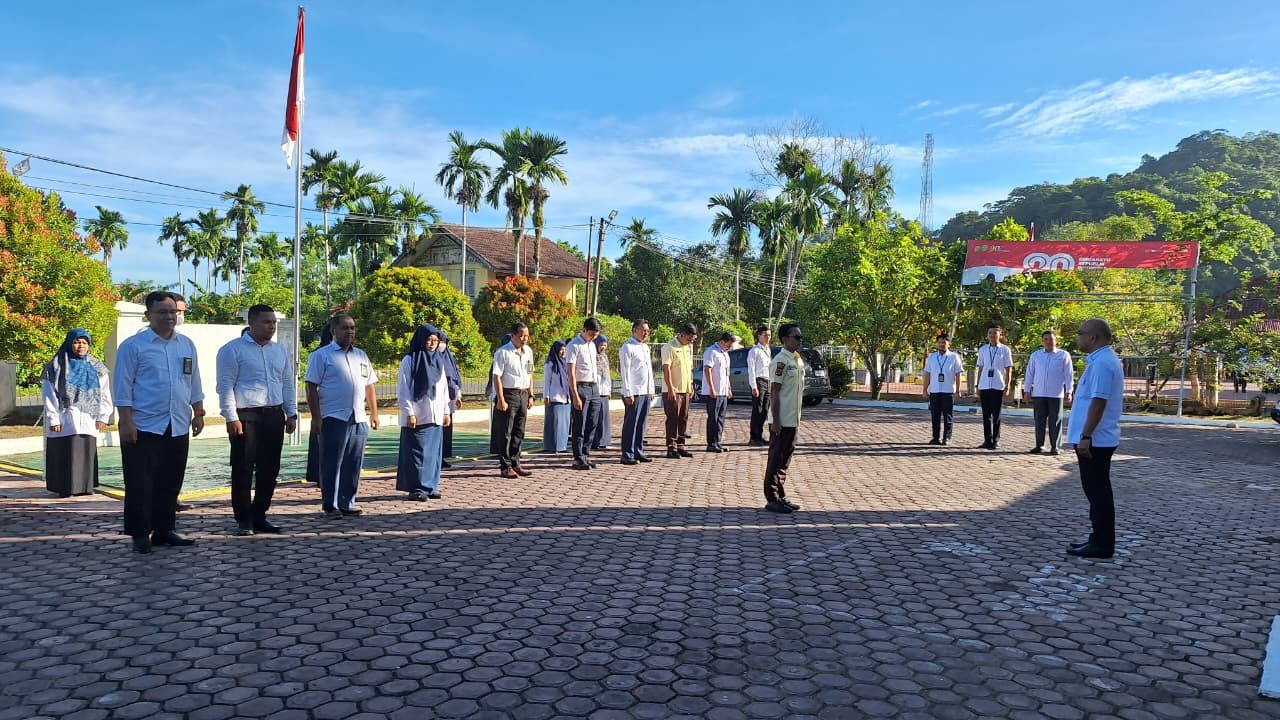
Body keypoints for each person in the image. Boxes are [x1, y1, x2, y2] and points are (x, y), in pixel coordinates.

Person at [114, 291, 205, 554]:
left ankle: (165, 530)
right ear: (148, 315)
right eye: (162, 312)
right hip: (144, 425)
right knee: (140, 483)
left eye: (173, 312)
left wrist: (198, 411)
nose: (169, 317)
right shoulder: (134, 346)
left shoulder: (185, 344)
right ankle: (140, 533)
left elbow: (193, 380)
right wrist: (126, 421)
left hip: (177, 422)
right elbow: (123, 386)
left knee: (170, 480)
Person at [215, 304, 298, 536]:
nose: (271, 326)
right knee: (243, 467)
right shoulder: (232, 350)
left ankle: (260, 514)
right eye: (266, 322)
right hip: (246, 416)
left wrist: (291, 413)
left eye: (274, 322)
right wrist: (231, 417)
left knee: (270, 468)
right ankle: (244, 519)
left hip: (274, 414)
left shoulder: (279, 351)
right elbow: (225, 385)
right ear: (251, 323)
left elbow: (287, 383)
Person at [305, 313, 379, 519]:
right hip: (333, 416)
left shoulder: (361, 355)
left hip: (358, 416)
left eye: (352, 328)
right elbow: (311, 387)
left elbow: (369, 385)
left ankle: (347, 502)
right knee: (331, 462)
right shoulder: (321, 355)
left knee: (354, 462)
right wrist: (316, 418)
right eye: (345, 328)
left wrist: (374, 413)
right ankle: (330, 504)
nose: (349, 332)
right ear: (333, 331)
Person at [1065, 318, 1126, 559]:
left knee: (1098, 493)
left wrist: (1086, 436)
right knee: (1096, 492)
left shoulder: (1102, 363)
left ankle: (1102, 543)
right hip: (1095, 438)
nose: (1077, 337)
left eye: (1080, 333)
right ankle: (1098, 538)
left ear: (1093, 338)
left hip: (1096, 440)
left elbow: (1098, 402)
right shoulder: (1101, 360)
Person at [41, 329, 113, 497]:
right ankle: (64, 488)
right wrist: (54, 419)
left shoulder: (96, 366)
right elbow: (49, 394)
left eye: (84, 342)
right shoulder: (56, 365)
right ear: (69, 343)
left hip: (89, 417)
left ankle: (84, 487)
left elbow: (104, 393)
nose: (81, 346)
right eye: (76, 342)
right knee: (65, 451)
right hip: (65, 417)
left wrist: (103, 416)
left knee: (85, 450)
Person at [396, 325, 451, 501]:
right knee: (417, 454)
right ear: (421, 340)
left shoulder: (439, 360)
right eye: (428, 340)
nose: (432, 344)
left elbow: (443, 389)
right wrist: (409, 412)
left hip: (436, 415)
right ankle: (416, 488)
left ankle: (430, 486)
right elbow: (403, 389)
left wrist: (446, 411)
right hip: (418, 415)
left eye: (435, 340)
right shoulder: (410, 360)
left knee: (433, 454)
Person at [764, 323, 806, 513]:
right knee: (776, 459)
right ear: (785, 339)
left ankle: (780, 495)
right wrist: (776, 420)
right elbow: (774, 391)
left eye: (800, 337)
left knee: (785, 460)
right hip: (781, 419)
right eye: (796, 337)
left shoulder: (796, 359)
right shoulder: (780, 361)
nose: (799, 340)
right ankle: (772, 498)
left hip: (793, 418)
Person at [491, 322, 535, 478]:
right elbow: (497, 376)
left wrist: (531, 395)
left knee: (519, 431)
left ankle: (516, 462)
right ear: (513, 335)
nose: (524, 339)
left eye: (527, 336)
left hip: (523, 393)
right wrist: (501, 399)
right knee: (506, 432)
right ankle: (505, 465)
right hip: (509, 393)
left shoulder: (528, 351)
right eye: (521, 336)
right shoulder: (503, 352)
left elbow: (530, 373)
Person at [1024, 330, 1074, 455]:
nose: (1048, 342)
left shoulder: (1063, 355)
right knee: (1039, 420)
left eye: (1051, 339)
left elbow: (1069, 375)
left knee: (1055, 421)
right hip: (1039, 393)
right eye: (1046, 339)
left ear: (1056, 341)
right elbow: (1029, 374)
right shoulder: (1036, 355)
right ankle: (1039, 445)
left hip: (1055, 393)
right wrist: (1027, 390)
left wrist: (1069, 391)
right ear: (1042, 341)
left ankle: (1055, 446)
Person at [567, 318, 603, 470]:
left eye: (596, 335)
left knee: (592, 423)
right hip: (581, 386)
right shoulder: (574, 345)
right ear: (584, 330)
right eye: (591, 334)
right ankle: (578, 457)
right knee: (579, 423)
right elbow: (571, 371)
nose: (593, 337)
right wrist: (575, 394)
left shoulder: (592, 345)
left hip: (594, 386)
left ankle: (586, 454)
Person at [618, 319, 655, 465]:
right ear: (634, 330)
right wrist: (628, 392)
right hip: (634, 391)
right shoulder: (627, 347)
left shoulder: (645, 347)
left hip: (645, 390)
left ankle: (638, 451)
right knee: (631, 424)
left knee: (641, 423)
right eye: (643, 330)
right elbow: (625, 372)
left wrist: (651, 389)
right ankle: (627, 454)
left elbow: (649, 370)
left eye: (647, 331)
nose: (646, 333)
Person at [661, 324, 697, 459]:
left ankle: (681, 446)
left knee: (683, 418)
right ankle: (671, 447)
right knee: (673, 419)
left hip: (685, 389)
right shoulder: (669, 347)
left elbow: (689, 369)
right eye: (689, 339)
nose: (690, 342)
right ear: (682, 334)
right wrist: (670, 388)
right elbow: (666, 369)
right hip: (673, 390)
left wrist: (691, 385)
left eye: (692, 340)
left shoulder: (687, 348)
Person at [974, 324, 1013, 449]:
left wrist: (1007, 385)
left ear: (1000, 334)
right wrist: (978, 385)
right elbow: (980, 368)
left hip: (998, 385)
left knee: (996, 415)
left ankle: (995, 440)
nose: (992, 335)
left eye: (995, 333)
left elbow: (1008, 369)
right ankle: (987, 440)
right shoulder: (983, 349)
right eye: (990, 333)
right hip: (984, 385)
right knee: (986, 415)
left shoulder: (1005, 350)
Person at [921, 333, 964, 446]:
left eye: (944, 342)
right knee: (935, 415)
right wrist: (925, 389)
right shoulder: (932, 357)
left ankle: (947, 438)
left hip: (948, 391)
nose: (941, 344)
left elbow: (958, 374)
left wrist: (958, 390)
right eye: (939, 342)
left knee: (947, 416)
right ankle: (935, 438)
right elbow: (928, 374)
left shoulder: (954, 357)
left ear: (948, 344)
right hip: (935, 391)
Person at [304, 324, 333, 485]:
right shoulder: (318, 354)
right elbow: (311, 384)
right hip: (323, 405)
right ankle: (320, 475)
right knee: (321, 441)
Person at [702, 331, 734, 453]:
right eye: (728, 345)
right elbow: (707, 370)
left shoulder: (725, 354)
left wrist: (729, 388)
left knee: (721, 418)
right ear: (722, 341)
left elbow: (726, 373)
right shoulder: (711, 351)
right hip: (714, 391)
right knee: (713, 418)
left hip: (723, 391)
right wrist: (711, 388)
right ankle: (711, 443)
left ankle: (718, 442)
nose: (729, 347)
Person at [437, 330, 463, 468]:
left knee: (446, 430)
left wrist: (458, 394)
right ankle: (437, 458)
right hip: (437, 399)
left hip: (449, 400)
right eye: (440, 341)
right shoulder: (432, 357)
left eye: (444, 342)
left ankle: (443, 457)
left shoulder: (449, 357)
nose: (442, 344)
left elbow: (454, 376)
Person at [542, 340, 571, 453]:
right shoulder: (550, 364)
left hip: (566, 398)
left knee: (564, 424)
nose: (563, 352)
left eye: (565, 350)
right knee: (554, 423)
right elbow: (547, 381)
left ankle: (562, 446)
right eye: (561, 350)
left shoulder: (566, 363)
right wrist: (546, 395)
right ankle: (552, 446)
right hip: (554, 397)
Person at [747, 326, 773, 447]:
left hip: (768, 381)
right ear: (759, 336)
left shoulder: (768, 350)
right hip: (759, 381)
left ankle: (759, 436)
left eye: (769, 335)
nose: (768, 337)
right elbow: (751, 370)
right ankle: (754, 437)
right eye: (765, 335)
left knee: (765, 410)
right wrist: (754, 386)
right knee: (757, 410)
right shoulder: (754, 351)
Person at [591, 335, 613, 450]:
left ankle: (604, 440)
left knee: (604, 417)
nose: (603, 347)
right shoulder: (592, 356)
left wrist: (609, 390)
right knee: (596, 417)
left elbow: (607, 374)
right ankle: (595, 441)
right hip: (596, 391)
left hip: (604, 391)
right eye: (601, 345)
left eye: (605, 345)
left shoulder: (604, 357)